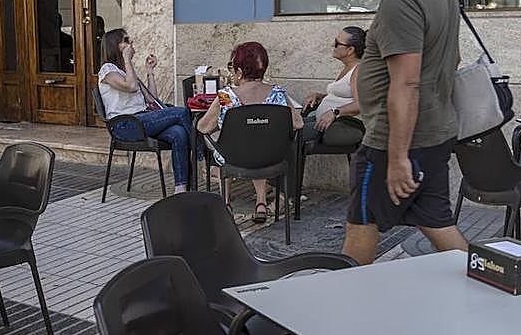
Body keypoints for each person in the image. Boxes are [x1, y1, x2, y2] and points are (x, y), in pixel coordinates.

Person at [344, 0, 468, 265]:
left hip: (392, 142)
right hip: (435, 132)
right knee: (437, 222)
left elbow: (406, 83)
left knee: (361, 224)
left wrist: (397, 158)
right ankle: (491, 287)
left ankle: (347, 305)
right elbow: (454, 57)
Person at [197, 42, 302, 223]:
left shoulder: (225, 96)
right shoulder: (277, 93)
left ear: (239, 71)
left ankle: (226, 203)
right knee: (257, 142)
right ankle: (261, 204)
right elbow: (298, 124)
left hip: (234, 158)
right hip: (271, 158)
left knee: (223, 141)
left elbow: (202, 128)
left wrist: (224, 124)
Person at [97, 28, 196, 193]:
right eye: (126, 41)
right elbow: (131, 86)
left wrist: (150, 72)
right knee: (181, 112)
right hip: (125, 125)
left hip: (142, 121)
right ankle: (201, 152)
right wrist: (127, 60)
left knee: (179, 132)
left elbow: (152, 99)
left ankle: (181, 188)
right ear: (115, 46)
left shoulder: (125, 71)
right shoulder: (107, 70)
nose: (131, 44)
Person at [302, 26, 365, 149]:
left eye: (337, 43)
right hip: (323, 121)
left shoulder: (358, 70)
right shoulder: (348, 67)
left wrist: (335, 112)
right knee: (286, 125)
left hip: (337, 125)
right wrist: (320, 96)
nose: (333, 46)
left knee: (288, 133)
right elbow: (345, 95)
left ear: (350, 50)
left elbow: (361, 104)